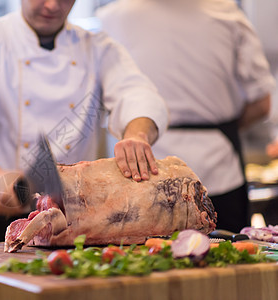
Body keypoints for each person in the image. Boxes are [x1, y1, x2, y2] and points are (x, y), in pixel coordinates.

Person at [0, 0, 168, 245]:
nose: (52, 6)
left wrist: (137, 135)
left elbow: (137, 94)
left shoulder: (97, 47)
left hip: (68, 222)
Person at [97, 0, 276, 232]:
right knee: (229, 260)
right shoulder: (228, 12)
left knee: (146, 262)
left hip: (142, 174)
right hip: (217, 166)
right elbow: (262, 104)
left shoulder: (110, 17)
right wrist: (220, 130)